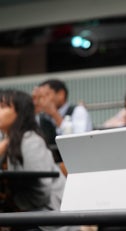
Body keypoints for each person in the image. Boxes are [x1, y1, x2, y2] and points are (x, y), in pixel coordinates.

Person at [0, 89, 79, 231]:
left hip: (49, 219)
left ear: (20, 113)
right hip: (28, 216)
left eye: (3, 107)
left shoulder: (30, 141)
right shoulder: (8, 142)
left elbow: (40, 193)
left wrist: (13, 201)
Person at [34, 79, 93, 145]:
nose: (42, 101)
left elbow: (79, 141)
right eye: (39, 97)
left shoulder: (79, 111)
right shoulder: (40, 117)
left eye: (46, 95)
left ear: (61, 94)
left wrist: (55, 114)